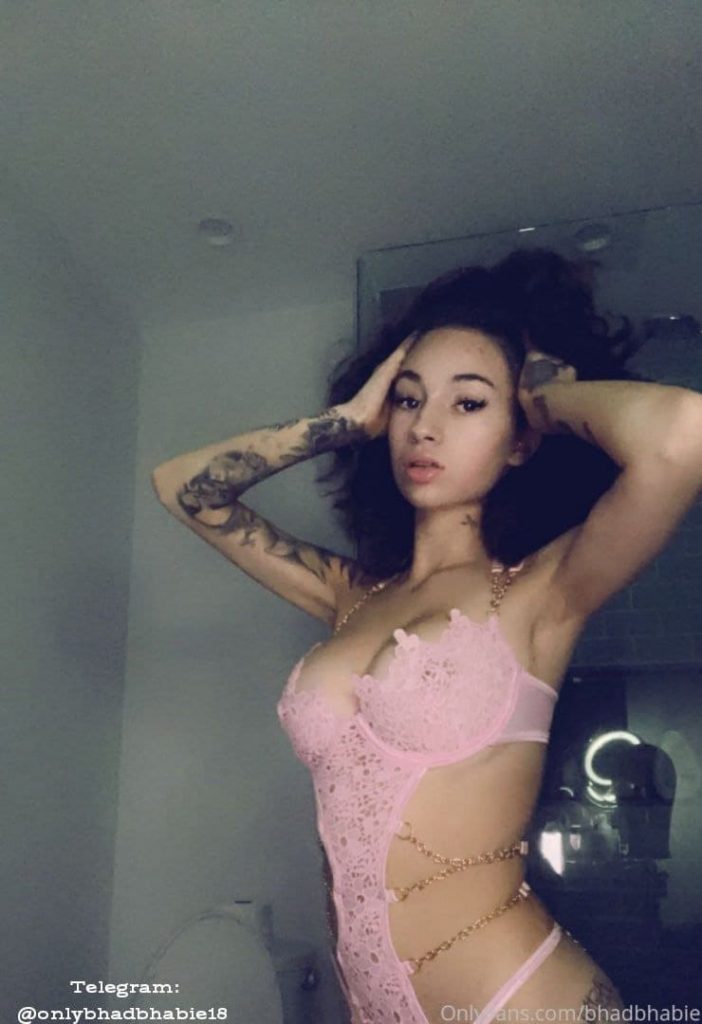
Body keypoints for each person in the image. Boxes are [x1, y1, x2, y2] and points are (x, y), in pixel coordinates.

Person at [151, 248, 702, 1024]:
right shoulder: (349, 596)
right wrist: (344, 421)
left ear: (519, 440)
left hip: (519, 1000)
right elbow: (181, 488)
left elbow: (682, 434)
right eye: (408, 400)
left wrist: (543, 397)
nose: (426, 426)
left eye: (469, 403)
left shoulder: (544, 592)